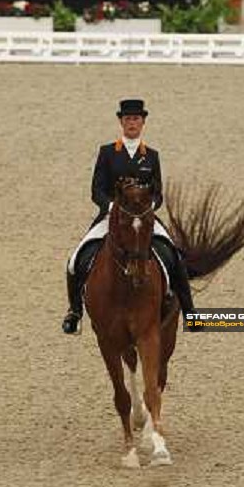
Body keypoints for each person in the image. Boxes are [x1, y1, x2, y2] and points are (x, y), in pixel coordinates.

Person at [61, 99, 196, 335]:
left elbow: (158, 192)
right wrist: (113, 207)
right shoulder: (107, 153)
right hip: (113, 217)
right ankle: (75, 312)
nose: (131, 123)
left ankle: (190, 312)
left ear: (142, 122)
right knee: (75, 260)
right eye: (127, 119)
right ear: (121, 122)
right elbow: (97, 190)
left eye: (135, 119)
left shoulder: (152, 156)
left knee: (175, 256)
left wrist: (150, 206)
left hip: (143, 219)